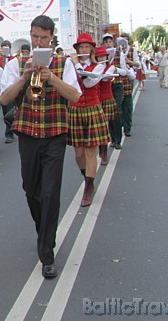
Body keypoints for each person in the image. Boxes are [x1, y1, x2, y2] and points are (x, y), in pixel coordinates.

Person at [0, 15, 81, 279]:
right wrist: (24, 79)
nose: (38, 42)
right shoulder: (15, 63)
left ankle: (46, 253)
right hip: (28, 135)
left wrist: (52, 78)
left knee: (50, 194)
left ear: (51, 38)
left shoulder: (63, 63)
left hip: (55, 134)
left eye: (43, 38)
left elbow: (75, 96)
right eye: (35, 37)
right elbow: (4, 98)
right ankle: (43, 230)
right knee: (31, 190)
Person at [68, 34, 110, 207]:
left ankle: (89, 186)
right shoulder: (69, 65)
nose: (83, 50)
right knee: (78, 154)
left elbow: (89, 83)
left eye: (86, 47)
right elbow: (69, 83)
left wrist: (76, 63)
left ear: (91, 49)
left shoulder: (99, 66)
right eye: (81, 48)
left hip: (92, 108)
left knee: (90, 151)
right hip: (76, 109)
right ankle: (87, 177)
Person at [94, 46, 117, 166]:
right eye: (100, 56)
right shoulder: (93, 68)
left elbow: (105, 78)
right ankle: (100, 150)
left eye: (104, 56)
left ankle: (104, 153)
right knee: (98, 128)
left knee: (105, 127)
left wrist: (99, 69)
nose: (102, 58)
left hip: (107, 99)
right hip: (97, 100)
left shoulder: (110, 67)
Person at [0, 40, 16, 144]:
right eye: (3, 46)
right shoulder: (0, 59)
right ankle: (11, 128)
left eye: (7, 47)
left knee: (9, 110)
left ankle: (9, 133)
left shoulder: (13, 59)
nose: (5, 48)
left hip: (11, 87)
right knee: (5, 112)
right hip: (2, 88)